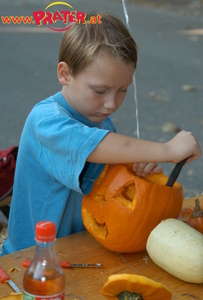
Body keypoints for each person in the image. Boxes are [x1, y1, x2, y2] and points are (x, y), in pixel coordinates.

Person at [1, 11, 201, 256]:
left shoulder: (102, 123)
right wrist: (167, 150)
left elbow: (106, 175)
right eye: (100, 90)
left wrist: (133, 165)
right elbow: (92, 146)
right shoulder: (46, 122)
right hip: (31, 256)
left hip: (80, 248)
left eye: (122, 90)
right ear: (65, 74)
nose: (112, 104)